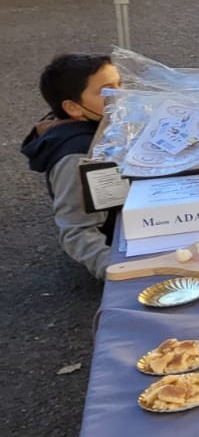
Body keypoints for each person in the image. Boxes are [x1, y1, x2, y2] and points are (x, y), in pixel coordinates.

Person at [21, 53, 121, 280]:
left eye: (120, 84)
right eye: (106, 91)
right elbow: (76, 231)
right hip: (119, 244)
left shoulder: (103, 122)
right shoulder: (77, 158)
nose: (120, 94)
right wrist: (116, 270)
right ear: (74, 108)